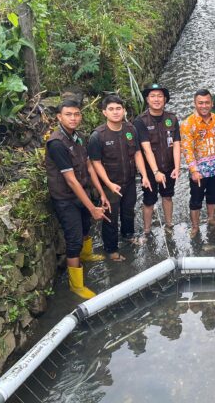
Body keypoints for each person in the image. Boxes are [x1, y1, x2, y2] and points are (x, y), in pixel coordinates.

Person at [45, 100, 109, 299]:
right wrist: (92, 208)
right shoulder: (56, 143)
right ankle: (77, 285)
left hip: (82, 193)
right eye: (68, 114)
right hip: (65, 198)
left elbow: (89, 166)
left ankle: (86, 255)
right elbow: (71, 181)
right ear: (59, 117)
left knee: (85, 226)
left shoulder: (78, 137)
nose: (73, 118)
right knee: (73, 240)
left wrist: (101, 192)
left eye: (76, 114)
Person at [88, 95, 150, 261]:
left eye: (118, 108)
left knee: (129, 210)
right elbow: (96, 163)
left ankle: (128, 235)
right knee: (110, 217)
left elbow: (137, 153)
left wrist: (144, 175)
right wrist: (108, 183)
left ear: (124, 110)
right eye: (111, 109)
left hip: (129, 180)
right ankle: (111, 249)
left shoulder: (130, 129)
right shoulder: (98, 136)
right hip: (110, 185)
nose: (115, 112)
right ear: (104, 112)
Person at [134, 84, 181, 234]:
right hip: (149, 171)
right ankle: (147, 230)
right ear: (147, 99)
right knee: (149, 201)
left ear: (165, 99)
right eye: (152, 96)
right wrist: (155, 172)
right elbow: (146, 149)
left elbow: (177, 145)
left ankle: (169, 225)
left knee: (167, 196)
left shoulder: (172, 118)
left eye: (160, 96)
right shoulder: (140, 121)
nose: (156, 99)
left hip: (168, 166)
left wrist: (177, 167)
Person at [181, 89, 215, 236]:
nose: (204, 106)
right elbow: (187, 148)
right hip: (199, 170)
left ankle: (211, 219)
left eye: (207, 102)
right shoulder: (188, 123)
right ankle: (195, 226)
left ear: (212, 103)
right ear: (195, 103)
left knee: (213, 195)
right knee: (196, 198)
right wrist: (194, 170)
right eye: (200, 103)